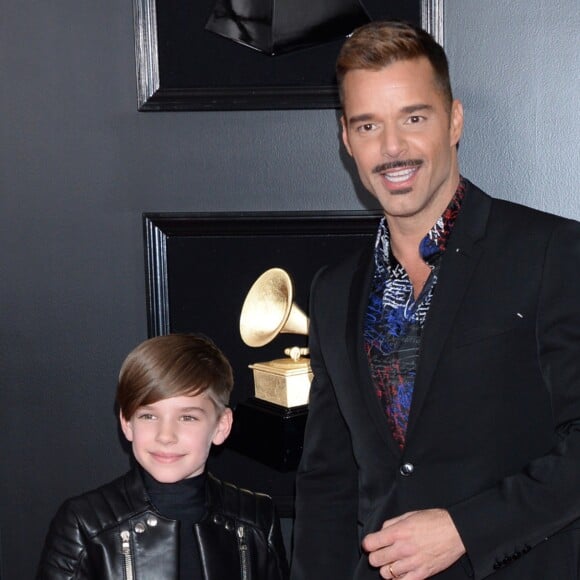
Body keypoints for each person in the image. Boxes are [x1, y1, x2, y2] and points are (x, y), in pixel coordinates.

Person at [291, 20, 580, 580]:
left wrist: (466, 529)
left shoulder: (553, 253)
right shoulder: (333, 292)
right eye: (368, 125)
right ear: (347, 141)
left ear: (454, 121)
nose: (392, 147)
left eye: (414, 118)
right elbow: (327, 480)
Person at [37, 333, 289, 580]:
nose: (165, 435)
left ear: (221, 426)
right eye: (149, 416)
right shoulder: (84, 523)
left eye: (187, 417)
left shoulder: (256, 518)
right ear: (127, 423)